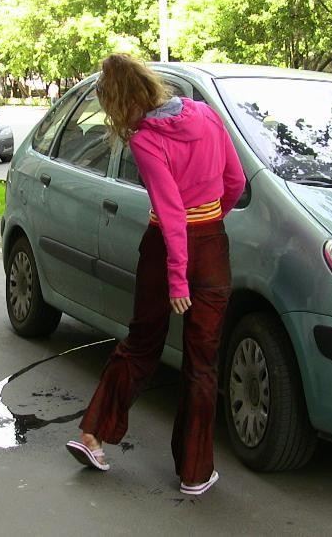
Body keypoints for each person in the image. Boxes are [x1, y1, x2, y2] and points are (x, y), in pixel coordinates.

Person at [65, 54, 246, 496]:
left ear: (121, 103)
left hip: (167, 249)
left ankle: (94, 435)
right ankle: (195, 473)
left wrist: (178, 277)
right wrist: (210, 220)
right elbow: (235, 182)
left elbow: (169, 212)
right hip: (211, 245)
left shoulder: (146, 140)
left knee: (142, 343)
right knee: (202, 362)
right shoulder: (205, 114)